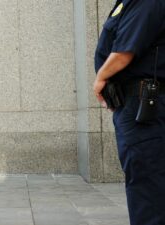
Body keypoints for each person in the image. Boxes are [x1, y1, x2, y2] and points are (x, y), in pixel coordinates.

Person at [93, 0, 165, 224]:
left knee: (147, 187)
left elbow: (125, 51)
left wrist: (101, 78)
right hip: (135, 104)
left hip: (143, 106)